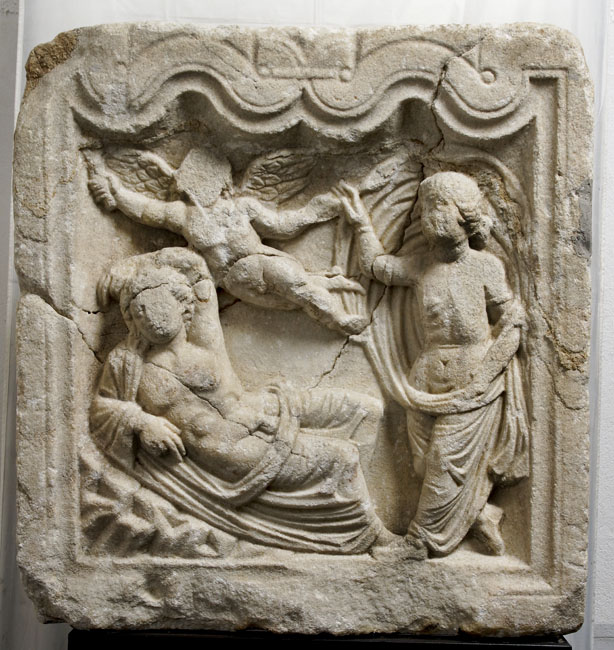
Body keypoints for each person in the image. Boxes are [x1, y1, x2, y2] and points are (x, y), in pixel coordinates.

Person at [90, 247, 393, 554]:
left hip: (269, 408)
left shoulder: (203, 338)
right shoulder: (127, 363)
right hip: (241, 453)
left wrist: (137, 263)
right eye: (139, 310)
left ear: (182, 304)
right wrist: (142, 421)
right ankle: (372, 537)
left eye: (159, 302)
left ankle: (345, 508)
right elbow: (102, 409)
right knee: (342, 458)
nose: (151, 316)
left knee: (365, 409)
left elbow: (195, 266)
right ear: (131, 319)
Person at [336, 171, 529, 558]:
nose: (430, 216)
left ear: (465, 214)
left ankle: (419, 543)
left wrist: (483, 379)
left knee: (444, 463)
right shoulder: (420, 266)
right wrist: (360, 223)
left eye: (441, 206)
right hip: (425, 381)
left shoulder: (486, 267)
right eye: (426, 208)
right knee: (426, 467)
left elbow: (513, 324)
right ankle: (481, 515)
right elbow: (376, 266)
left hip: (471, 384)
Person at [87, 147, 368, 335]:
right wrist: (118, 194)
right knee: (292, 300)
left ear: (221, 182)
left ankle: (338, 318)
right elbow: (148, 210)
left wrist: (316, 211)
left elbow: (281, 225)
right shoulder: (184, 215)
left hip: (261, 264)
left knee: (299, 288)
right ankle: (330, 287)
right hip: (233, 282)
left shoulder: (242, 207)